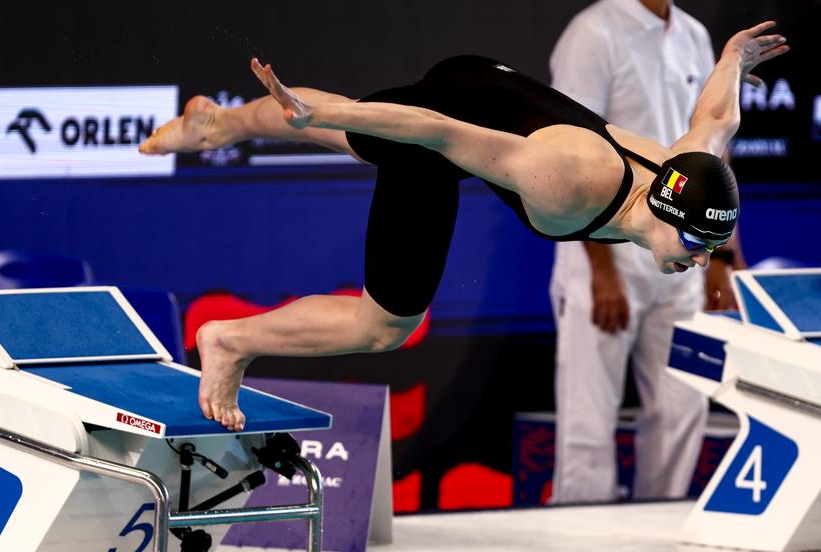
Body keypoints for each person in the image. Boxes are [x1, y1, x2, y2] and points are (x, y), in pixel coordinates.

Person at [140, 22, 787, 432]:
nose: (701, 260)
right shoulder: (569, 182)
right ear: (668, 212)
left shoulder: (686, 171)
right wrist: (332, 114)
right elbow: (438, 130)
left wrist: (731, 60)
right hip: (451, 122)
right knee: (385, 323)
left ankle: (216, 124)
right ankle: (227, 340)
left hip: (484, 81)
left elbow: (715, 122)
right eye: (698, 245)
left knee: (334, 124)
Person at [547, 0, 747, 503]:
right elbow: (568, 150)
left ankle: (660, 529)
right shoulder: (593, 32)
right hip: (607, 247)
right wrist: (601, 267)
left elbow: (714, 153)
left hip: (683, 252)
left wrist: (722, 254)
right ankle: (580, 536)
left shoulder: (694, 35)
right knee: (588, 420)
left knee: (682, 411)